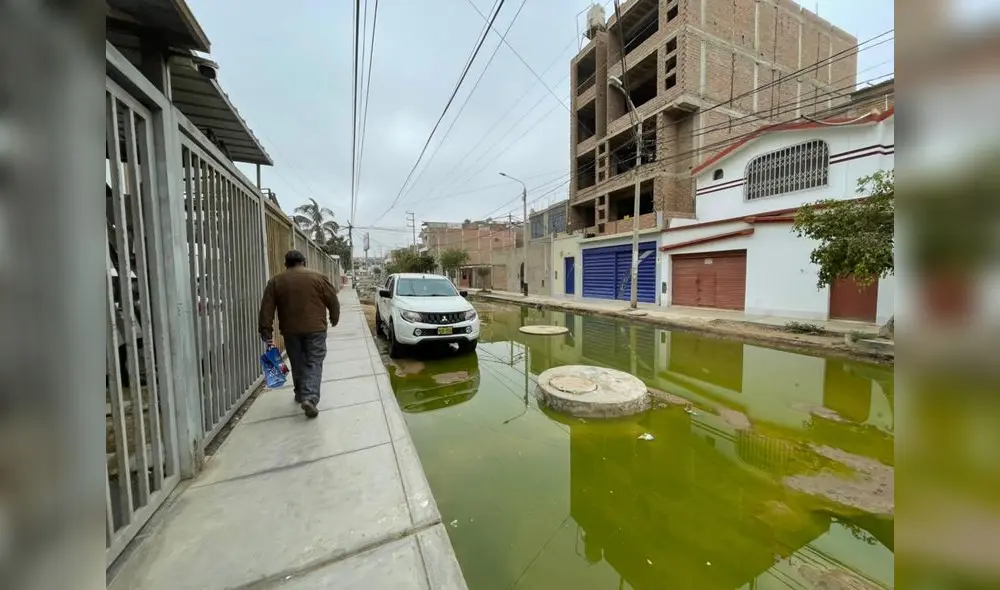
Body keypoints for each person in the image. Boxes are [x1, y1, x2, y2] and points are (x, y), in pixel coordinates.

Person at [258, 250, 340, 418]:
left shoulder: (276, 281)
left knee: (297, 361)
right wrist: (334, 317)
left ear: (286, 264)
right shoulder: (318, 277)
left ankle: (301, 393)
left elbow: (267, 307)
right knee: (314, 361)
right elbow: (332, 300)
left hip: (290, 330)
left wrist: (266, 330)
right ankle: (310, 397)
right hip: (315, 328)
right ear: (304, 262)